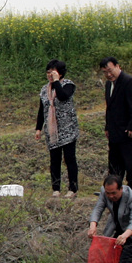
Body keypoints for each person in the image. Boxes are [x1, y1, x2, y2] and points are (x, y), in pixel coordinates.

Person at [35, 59, 80, 198]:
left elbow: (62, 97)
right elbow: (42, 109)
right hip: (52, 130)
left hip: (67, 128)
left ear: (60, 73)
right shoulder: (44, 89)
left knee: (69, 158)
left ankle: (73, 188)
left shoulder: (68, 85)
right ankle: (56, 188)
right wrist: (38, 128)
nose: (50, 75)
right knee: (54, 160)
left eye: (52, 72)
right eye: (48, 72)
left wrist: (56, 82)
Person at [100, 56, 132, 191]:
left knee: (130, 160)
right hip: (114, 130)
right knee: (114, 161)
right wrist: (107, 127)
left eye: (110, 70)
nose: (108, 74)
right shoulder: (108, 84)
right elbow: (110, 108)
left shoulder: (128, 81)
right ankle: (113, 188)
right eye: (105, 72)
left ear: (118, 66)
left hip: (127, 130)